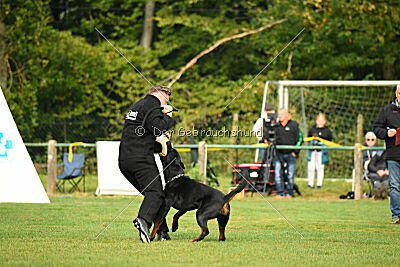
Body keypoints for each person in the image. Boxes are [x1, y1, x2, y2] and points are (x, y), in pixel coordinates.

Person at [118, 85, 176, 242]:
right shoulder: (152, 104)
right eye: (166, 100)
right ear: (160, 95)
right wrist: (168, 116)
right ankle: (143, 220)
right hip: (140, 159)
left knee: (154, 196)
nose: (165, 103)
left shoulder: (138, 105)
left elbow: (142, 134)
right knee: (155, 193)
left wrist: (160, 147)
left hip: (125, 160)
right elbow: (157, 129)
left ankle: (162, 233)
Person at [373, 84, 400, 224]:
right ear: (396, 94)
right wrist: (386, 134)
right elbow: (376, 128)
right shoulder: (387, 110)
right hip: (394, 155)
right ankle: (396, 215)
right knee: (395, 185)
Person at [274, 108, 303, 198]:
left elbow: (300, 139)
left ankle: (289, 193)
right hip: (279, 154)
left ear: (287, 115)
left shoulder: (294, 125)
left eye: (281, 114)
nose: (280, 116)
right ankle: (279, 192)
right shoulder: (276, 126)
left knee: (290, 174)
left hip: (291, 154)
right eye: (279, 114)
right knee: (278, 173)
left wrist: (295, 152)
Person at [307, 113, 333, 189]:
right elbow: (309, 138)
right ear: (316, 121)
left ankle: (319, 184)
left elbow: (329, 140)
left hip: (321, 152)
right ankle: (310, 183)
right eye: (319, 120)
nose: (320, 122)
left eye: (322, 121)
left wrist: (322, 143)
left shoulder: (327, 130)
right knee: (311, 167)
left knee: (320, 168)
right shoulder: (312, 129)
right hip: (312, 151)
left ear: (324, 121)